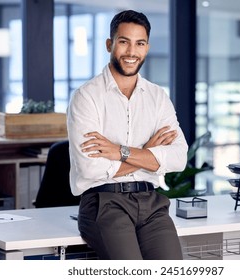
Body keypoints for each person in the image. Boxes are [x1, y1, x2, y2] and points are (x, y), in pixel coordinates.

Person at [66, 9, 188, 260]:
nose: (132, 52)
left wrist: (120, 151)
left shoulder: (157, 97)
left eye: (139, 43)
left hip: (151, 202)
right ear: (109, 44)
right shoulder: (86, 97)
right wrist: (148, 155)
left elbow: (178, 158)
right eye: (124, 42)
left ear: (147, 47)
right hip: (104, 203)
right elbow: (89, 170)